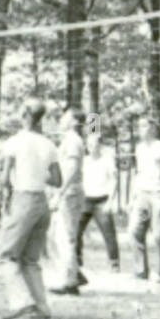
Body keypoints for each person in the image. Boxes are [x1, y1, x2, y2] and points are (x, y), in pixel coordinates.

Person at [0, 98, 61, 319]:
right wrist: (38, 171)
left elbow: (4, 178)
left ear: (25, 115)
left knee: (6, 255)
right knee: (30, 260)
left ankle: (21, 301)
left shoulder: (13, 142)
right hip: (41, 201)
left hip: (23, 198)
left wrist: (4, 199)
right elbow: (57, 179)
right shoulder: (49, 144)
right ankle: (43, 308)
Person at [129, 116, 160, 283]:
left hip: (158, 194)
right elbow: (139, 173)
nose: (140, 129)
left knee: (159, 234)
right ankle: (140, 271)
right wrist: (132, 197)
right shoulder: (139, 148)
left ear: (153, 129)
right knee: (134, 231)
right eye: (139, 126)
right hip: (142, 193)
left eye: (144, 126)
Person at [50, 107, 87, 296]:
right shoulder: (69, 140)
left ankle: (69, 281)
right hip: (67, 192)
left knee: (65, 236)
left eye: (65, 116)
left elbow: (71, 169)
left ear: (73, 121)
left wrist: (60, 193)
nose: (61, 119)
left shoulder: (73, 140)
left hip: (70, 193)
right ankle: (73, 273)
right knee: (59, 236)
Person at [77, 132, 121, 273]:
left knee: (108, 233)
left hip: (102, 200)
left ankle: (114, 263)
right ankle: (77, 260)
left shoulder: (107, 160)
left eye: (95, 144)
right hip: (85, 200)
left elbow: (114, 180)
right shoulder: (84, 161)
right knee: (77, 231)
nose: (92, 147)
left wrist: (110, 202)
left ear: (100, 146)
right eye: (89, 145)